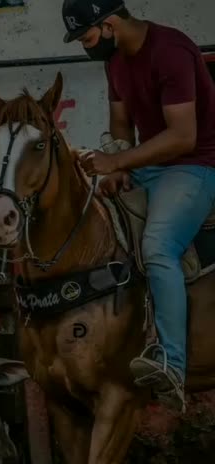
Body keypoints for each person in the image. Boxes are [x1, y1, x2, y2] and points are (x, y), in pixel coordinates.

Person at [61, 0, 215, 409]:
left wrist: (118, 161)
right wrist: (117, 161)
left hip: (195, 166)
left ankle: (172, 364)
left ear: (110, 24)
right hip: (150, 165)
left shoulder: (171, 52)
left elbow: (183, 136)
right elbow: (120, 125)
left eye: (87, 37)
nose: (85, 47)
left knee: (158, 247)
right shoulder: (115, 62)